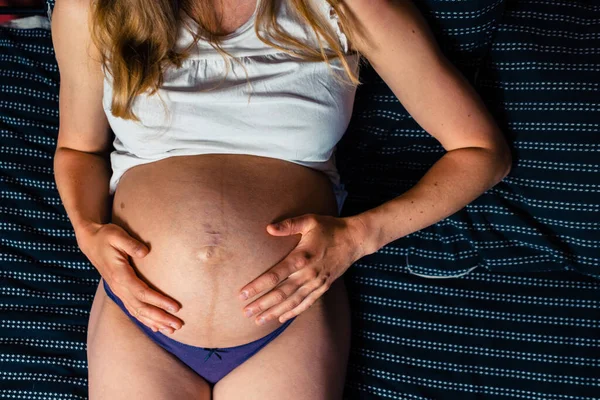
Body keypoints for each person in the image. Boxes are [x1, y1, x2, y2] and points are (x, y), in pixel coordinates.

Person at [51, 0, 512, 398]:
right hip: (141, 318)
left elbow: (482, 153)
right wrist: (87, 232)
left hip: (289, 315)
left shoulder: (344, 7)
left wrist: (359, 236)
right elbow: (77, 149)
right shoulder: (95, 9)